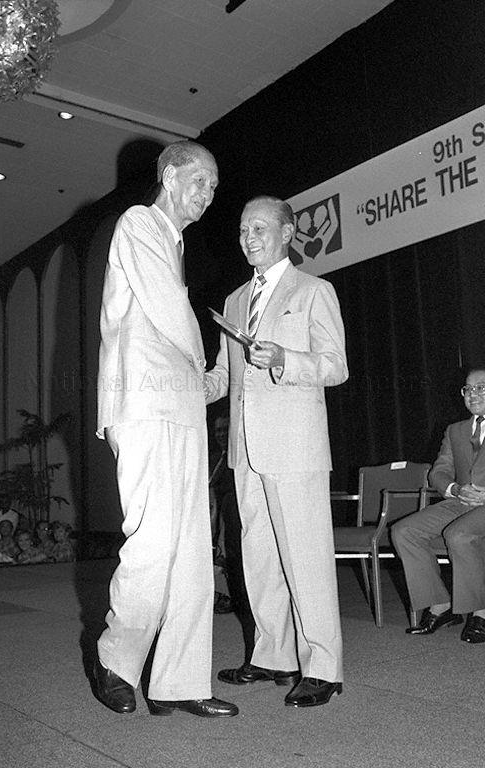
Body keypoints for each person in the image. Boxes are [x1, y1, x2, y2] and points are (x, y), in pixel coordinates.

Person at [94, 140, 237, 719]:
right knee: (154, 540)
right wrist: (205, 371)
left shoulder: (173, 241)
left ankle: (179, 681)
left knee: (191, 550)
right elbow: (169, 310)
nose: (207, 195)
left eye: (213, 188)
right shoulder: (139, 224)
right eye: (201, 180)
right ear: (170, 173)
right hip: (146, 404)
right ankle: (116, 660)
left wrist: (208, 380)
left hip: (180, 408)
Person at [204, 195, 348, 708]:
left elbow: (335, 366)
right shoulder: (237, 300)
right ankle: (272, 655)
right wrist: (189, 384)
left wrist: (287, 357)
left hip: (296, 447)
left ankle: (324, 667)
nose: (248, 237)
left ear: (288, 233)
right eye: (244, 229)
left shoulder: (314, 291)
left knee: (305, 559)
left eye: (259, 228)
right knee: (259, 558)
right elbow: (225, 376)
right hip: (246, 450)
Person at [392, 368, 485, 643]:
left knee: (459, 534)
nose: (474, 393)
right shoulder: (455, 430)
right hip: (461, 501)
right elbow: (438, 472)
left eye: (482, 387)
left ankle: (481, 612)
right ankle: (440, 605)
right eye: (468, 389)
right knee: (404, 531)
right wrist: (455, 488)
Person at [209, 415, 256, 657]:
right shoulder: (217, 461)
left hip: (238, 534)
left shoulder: (242, 461)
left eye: (225, 429)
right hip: (218, 533)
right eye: (217, 429)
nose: (220, 434)